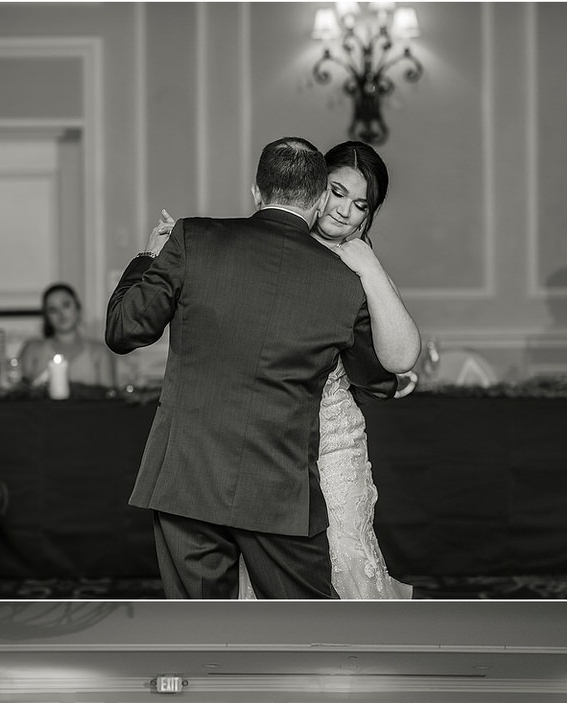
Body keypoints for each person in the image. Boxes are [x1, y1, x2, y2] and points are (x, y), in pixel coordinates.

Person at [105, 136, 397, 600]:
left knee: (204, 639)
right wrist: (393, 381)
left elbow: (123, 331)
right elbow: (376, 375)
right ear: (320, 198)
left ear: (256, 192)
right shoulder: (343, 280)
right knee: (307, 635)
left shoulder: (192, 239)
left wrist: (147, 259)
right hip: (281, 489)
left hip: (188, 479)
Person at [239, 141, 419, 600]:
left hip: (335, 436)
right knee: (265, 568)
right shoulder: (266, 247)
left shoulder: (359, 263)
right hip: (266, 434)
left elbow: (399, 355)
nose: (344, 211)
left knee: (347, 553)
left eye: (360, 205)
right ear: (314, 187)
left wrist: (369, 266)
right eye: (336, 192)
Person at [20, 283, 117, 387]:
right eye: (53, 309)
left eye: (66, 305)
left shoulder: (99, 352)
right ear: (47, 317)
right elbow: (18, 392)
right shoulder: (33, 349)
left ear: (77, 308)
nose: (60, 313)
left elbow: (109, 398)